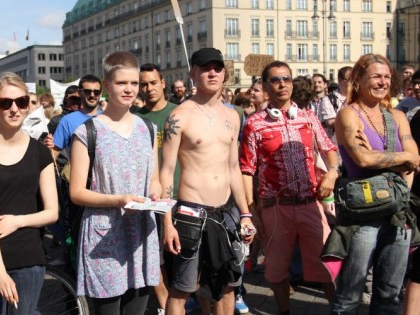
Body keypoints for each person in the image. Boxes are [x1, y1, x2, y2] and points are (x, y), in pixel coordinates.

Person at [240, 61, 338, 315]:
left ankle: (339, 311)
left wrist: (332, 174)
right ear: (264, 85)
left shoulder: (307, 117)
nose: (282, 84)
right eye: (275, 80)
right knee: (276, 269)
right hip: (275, 208)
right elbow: (247, 169)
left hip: (309, 204)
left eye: (286, 79)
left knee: (326, 265)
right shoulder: (254, 123)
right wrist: (250, 211)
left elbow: (329, 149)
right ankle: (284, 312)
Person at [161, 48, 254, 315]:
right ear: (193, 73)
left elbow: (234, 168)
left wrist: (245, 213)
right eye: (204, 68)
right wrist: (167, 222)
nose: (212, 73)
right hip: (191, 214)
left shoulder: (233, 116)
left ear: (225, 73)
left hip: (226, 214)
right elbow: (166, 172)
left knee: (228, 285)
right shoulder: (180, 116)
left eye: (217, 68)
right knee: (182, 289)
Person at [69, 50, 160, 315]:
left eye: (134, 83)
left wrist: (156, 192)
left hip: (142, 234)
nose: (130, 89)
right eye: (122, 83)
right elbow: (76, 192)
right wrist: (118, 200)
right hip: (105, 237)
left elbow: (153, 177)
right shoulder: (87, 131)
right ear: (107, 86)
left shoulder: (148, 128)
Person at [328, 54, 420, 314]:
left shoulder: (398, 116)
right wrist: (402, 160)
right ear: (358, 80)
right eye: (377, 76)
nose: (383, 82)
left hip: (398, 213)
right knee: (349, 295)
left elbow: (415, 159)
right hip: (362, 216)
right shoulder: (348, 114)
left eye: (387, 76)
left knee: (390, 294)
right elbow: (362, 159)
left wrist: (385, 159)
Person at [0, 72, 57, 315]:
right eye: (6, 103)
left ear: (28, 105)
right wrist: (0, 271)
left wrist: (18, 221)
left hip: (29, 257)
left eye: (21, 102)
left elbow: (52, 212)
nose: (14, 109)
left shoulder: (40, 152)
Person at [137, 62, 179, 315]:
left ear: (163, 83)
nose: (149, 88)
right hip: (149, 197)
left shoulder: (180, 113)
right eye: (144, 84)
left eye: (153, 82)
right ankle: (165, 307)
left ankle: (180, 301)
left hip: (181, 196)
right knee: (156, 257)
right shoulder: (136, 120)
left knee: (183, 258)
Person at [52, 75, 102, 160]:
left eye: (96, 92)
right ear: (79, 92)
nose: (92, 95)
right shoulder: (67, 120)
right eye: (87, 91)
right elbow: (55, 152)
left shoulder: (109, 118)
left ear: (100, 93)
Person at [319, 67, 352, 143]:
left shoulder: (359, 98)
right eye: (350, 79)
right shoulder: (328, 99)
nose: (353, 82)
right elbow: (330, 122)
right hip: (337, 146)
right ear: (340, 80)